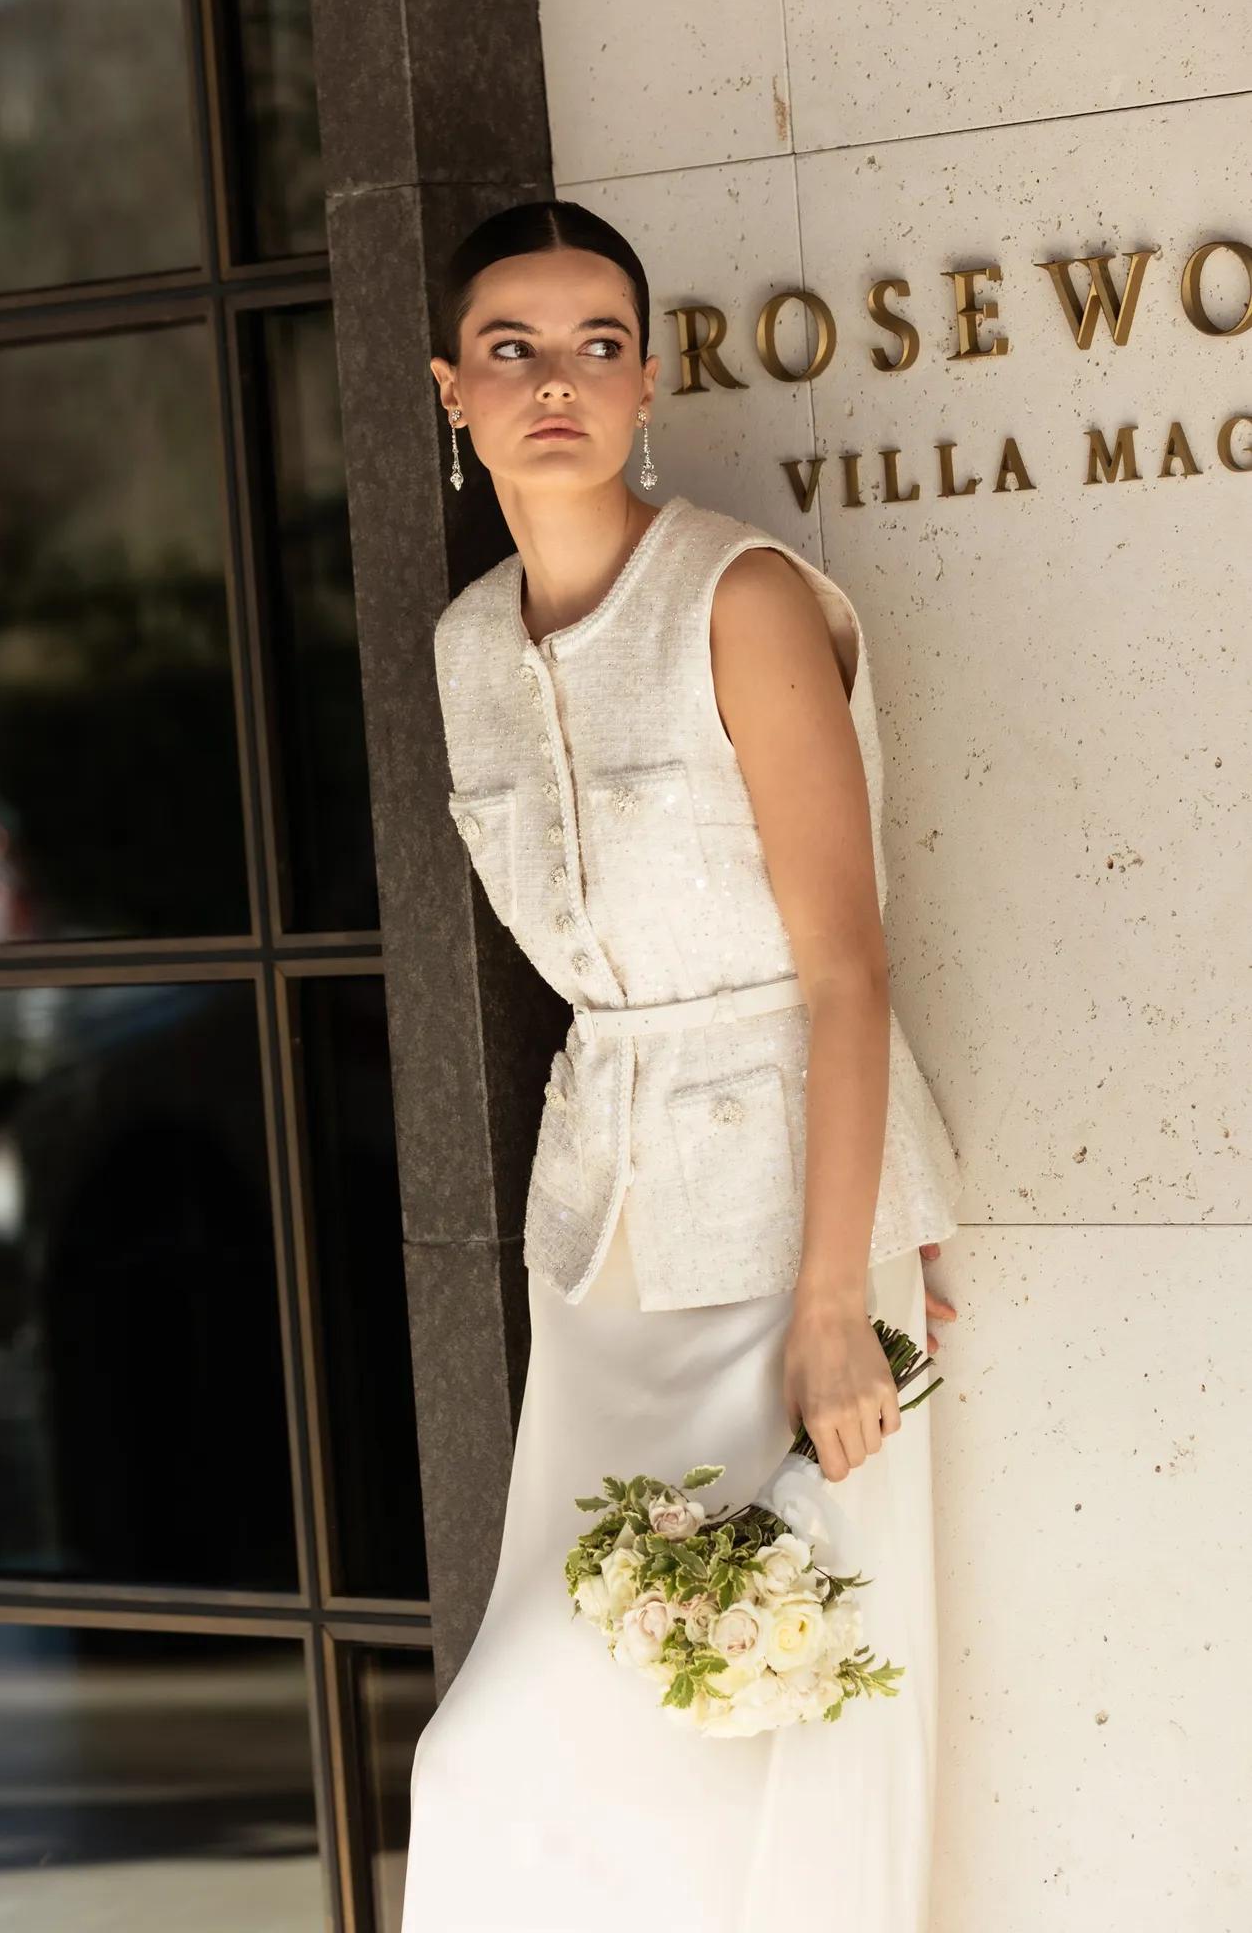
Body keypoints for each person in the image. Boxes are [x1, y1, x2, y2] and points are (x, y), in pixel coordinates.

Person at [401, 198, 963, 1933]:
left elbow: (848, 968)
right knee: (551, 1751)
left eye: (595, 345)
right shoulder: (464, 648)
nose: (553, 380)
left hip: (801, 1214)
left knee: (783, 1722)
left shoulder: (742, 595)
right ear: (449, 392)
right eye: (511, 348)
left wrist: (828, 1306)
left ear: (646, 383)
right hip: (599, 1233)